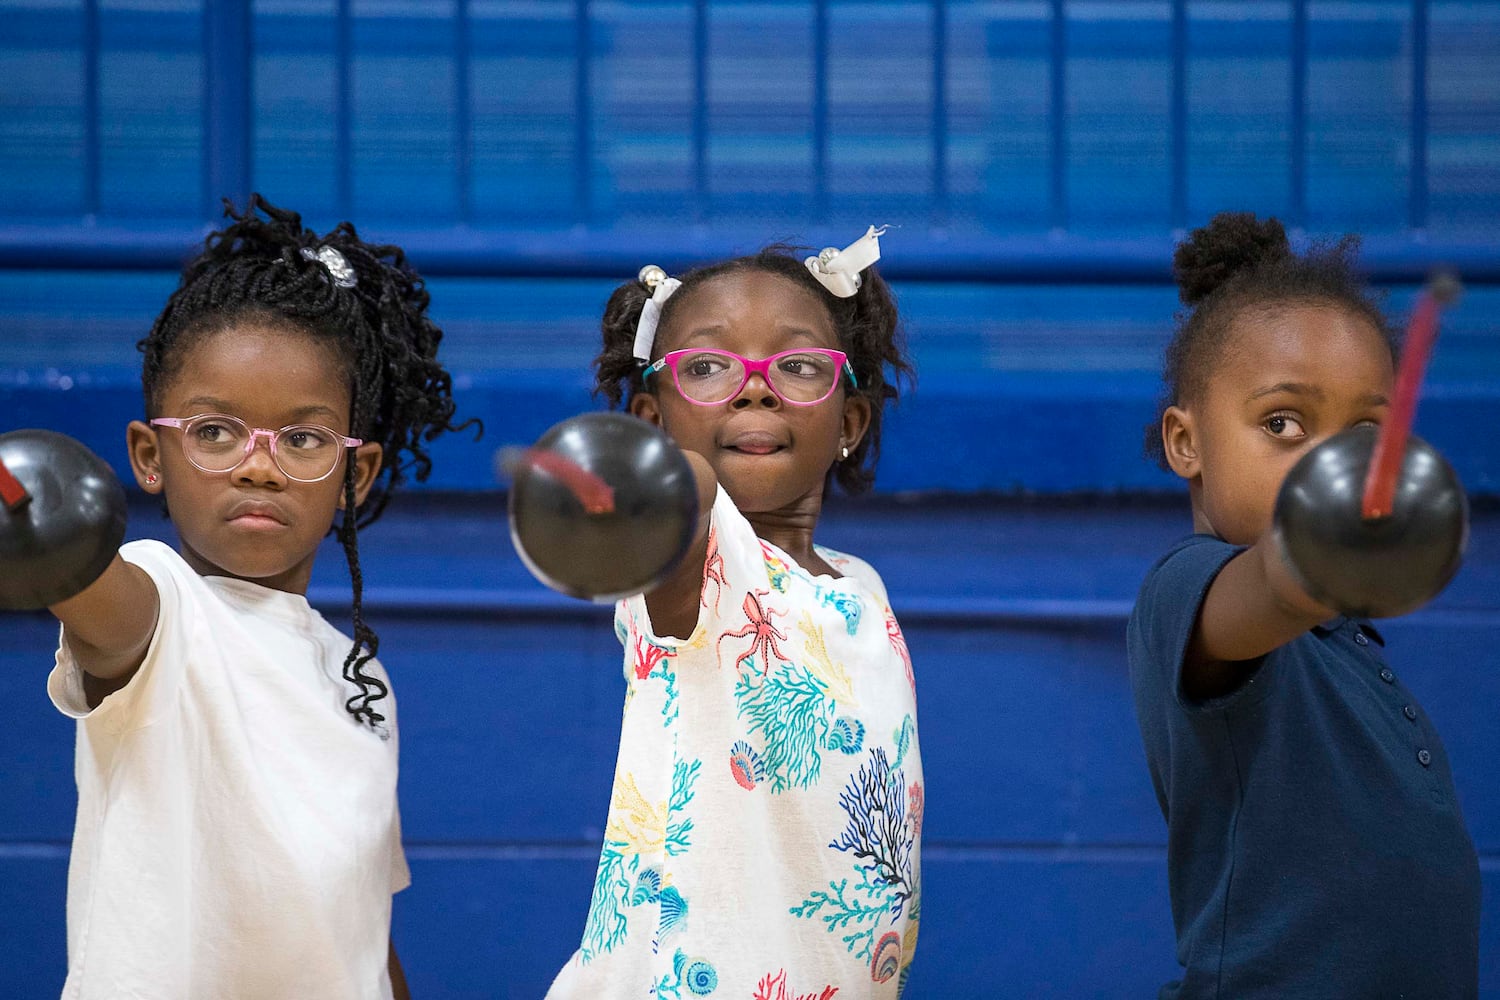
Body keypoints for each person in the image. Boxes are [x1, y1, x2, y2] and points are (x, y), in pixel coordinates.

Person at [42, 195, 472, 999]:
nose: (258, 465)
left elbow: (360, 937)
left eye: (304, 439)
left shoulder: (361, 680)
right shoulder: (161, 604)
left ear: (357, 475)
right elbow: (90, 591)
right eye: (214, 432)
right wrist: (42, 532)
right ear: (149, 455)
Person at [546, 229, 923, 998]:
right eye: (709, 367)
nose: (756, 388)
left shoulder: (859, 588)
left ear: (848, 423)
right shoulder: (703, 565)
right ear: (652, 420)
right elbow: (678, 504)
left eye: (797, 364)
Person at [1128, 211, 1480, 998]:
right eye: (1283, 423)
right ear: (1187, 441)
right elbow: (1268, 588)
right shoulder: (1192, 587)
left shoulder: (1346, 641)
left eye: (1365, 433)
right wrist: (1316, 550)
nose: (1334, 464)